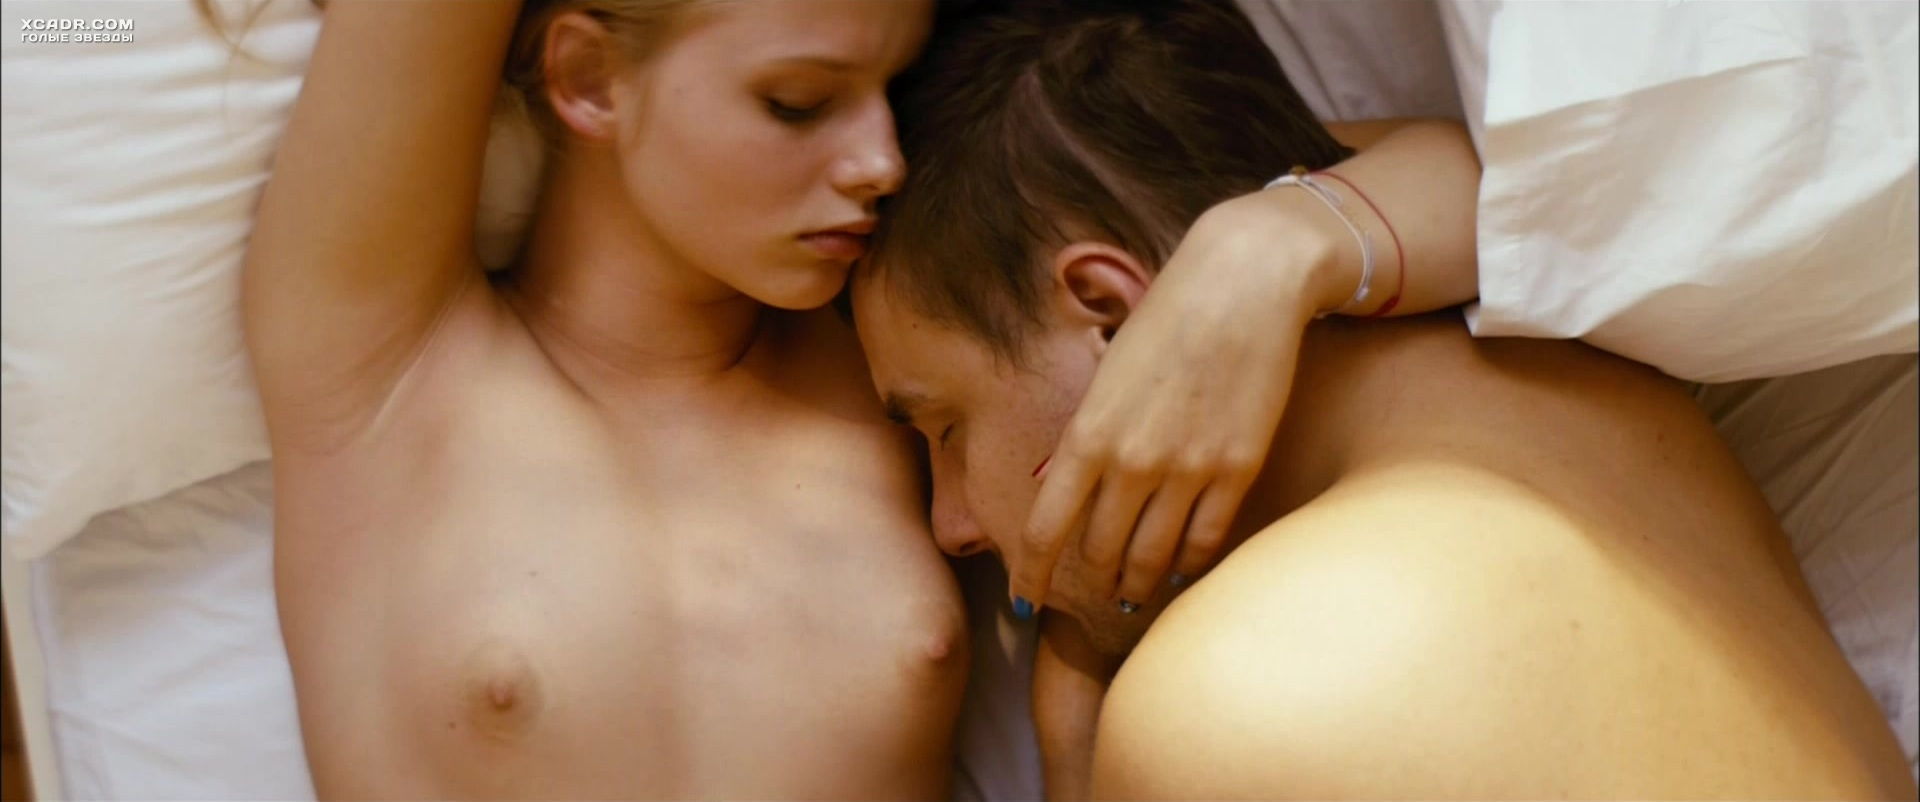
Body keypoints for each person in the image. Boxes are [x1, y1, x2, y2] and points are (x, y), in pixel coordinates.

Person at [239, 0, 1486, 796]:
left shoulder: (904, 376)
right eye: (797, 100)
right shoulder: (381, 358)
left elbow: (1499, 180)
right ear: (588, 76)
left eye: (891, 88)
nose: (881, 158)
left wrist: (1268, 249)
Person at [850, 1, 1920, 798]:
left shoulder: (1240, 693)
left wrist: (1083, 755)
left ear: (1111, 309)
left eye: (946, 427)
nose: (952, 525)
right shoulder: (1586, 378)